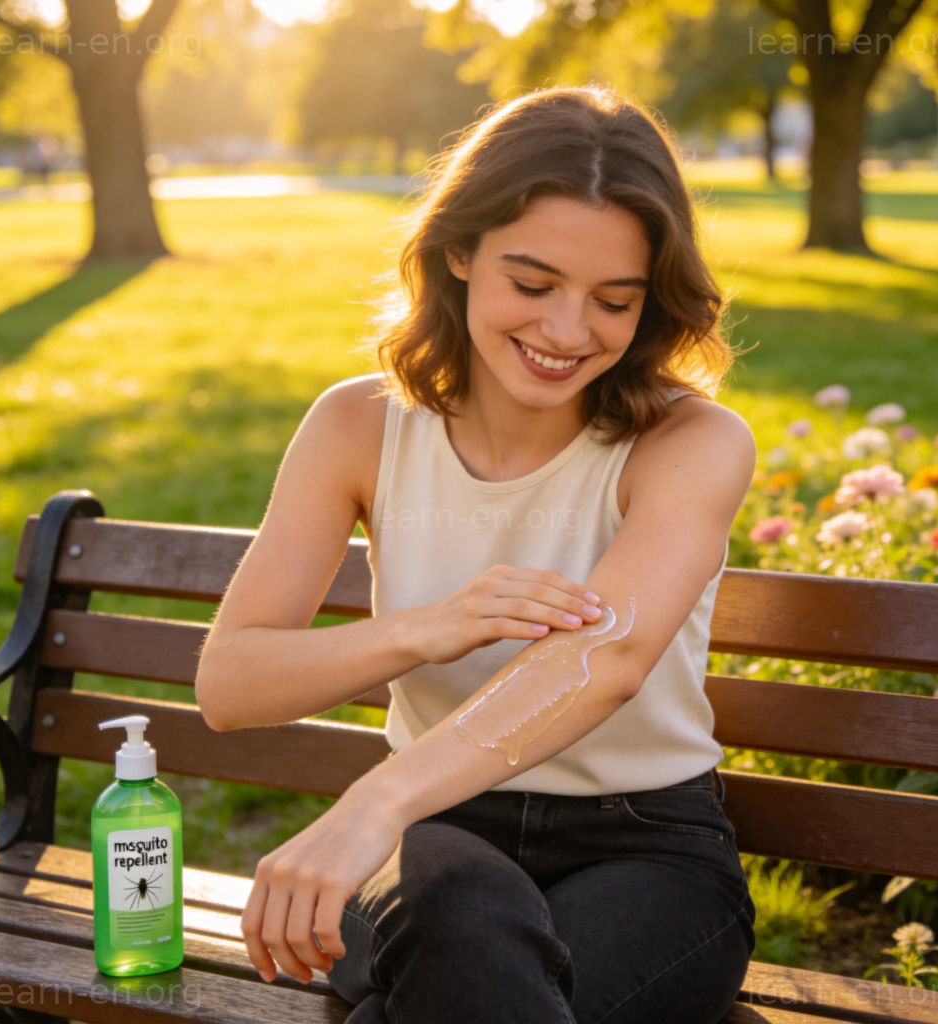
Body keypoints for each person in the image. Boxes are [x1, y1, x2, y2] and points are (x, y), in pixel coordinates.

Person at [196, 85, 757, 1023]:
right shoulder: (357, 426)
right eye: (532, 286)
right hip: (440, 842)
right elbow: (232, 684)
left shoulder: (691, 442)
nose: (567, 333)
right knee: (462, 910)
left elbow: (605, 658)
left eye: (614, 301)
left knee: (443, 993)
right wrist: (426, 630)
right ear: (458, 252)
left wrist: (374, 806)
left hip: (647, 846)